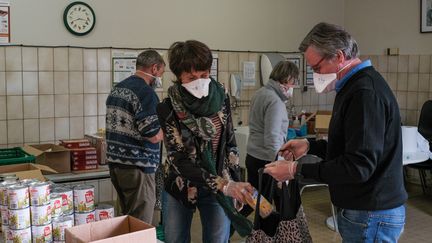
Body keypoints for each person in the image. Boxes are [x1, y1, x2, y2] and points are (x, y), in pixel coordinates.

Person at [264, 22, 407, 243]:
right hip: (362, 210)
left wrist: (295, 169)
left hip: (371, 212)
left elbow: (358, 166)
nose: (315, 75)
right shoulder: (351, 87)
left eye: (317, 68)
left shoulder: (364, 93)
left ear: (339, 56)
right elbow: (351, 147)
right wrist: (311, 145)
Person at [157, 40, 254, 243]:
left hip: (218, 185)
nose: (199, 81)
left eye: (204, 75)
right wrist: (223, 185)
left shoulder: (221, 98)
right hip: (181, 185)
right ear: (178, 76)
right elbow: (179, 160)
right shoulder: (168, 109)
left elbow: (229, 142)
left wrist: (233, 182)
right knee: (175, 239)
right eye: (191, 77)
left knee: (218, 239)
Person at [106, 50, 165, 224]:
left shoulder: (117, 89)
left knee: (126, 219)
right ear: (154, 68)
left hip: (117, 165)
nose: (160, 79)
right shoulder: (146, 93)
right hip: (138, 167)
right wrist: (169, 130)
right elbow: (152, 135)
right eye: (161, 73)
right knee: (140, 222)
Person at [241, 60, 298, 234]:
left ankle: (231, 224)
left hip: (253, 156)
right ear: (286, 79)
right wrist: (279, 164)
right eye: (293, 82)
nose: (293, 86)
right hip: (267, 159)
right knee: (263, 204)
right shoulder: (275, 102)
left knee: (255, 199)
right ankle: (266, 235)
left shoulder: (261, 93)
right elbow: (273, 136)